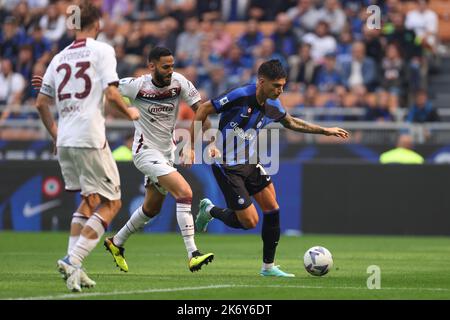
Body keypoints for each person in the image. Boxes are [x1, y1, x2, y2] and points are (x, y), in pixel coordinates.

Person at [189, 59, 349, 277]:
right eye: (276, 86)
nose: (280, 90)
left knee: (272, 209)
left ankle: (268, 267)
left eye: (282, 86)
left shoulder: (274, 106)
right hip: (226, 165)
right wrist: (196, 145)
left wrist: (325, 130)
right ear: (261, 82)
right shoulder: (240, 95)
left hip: (251, 163)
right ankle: (210, 210)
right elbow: (203, 110)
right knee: (249, 222)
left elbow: (292, 123)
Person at [34, 2, 140, 292]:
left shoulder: (58, 58)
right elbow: (111, 91)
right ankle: (73, 258)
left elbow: (41, 103)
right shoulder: (102, 50)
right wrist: (129, 111)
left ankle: (75, 269)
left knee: (90, 199)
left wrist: (55, 133)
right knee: (112, 202)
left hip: (66, 139)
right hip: (89, 136)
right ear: (99, 24)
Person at [103, 47, 214, 273]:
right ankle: (193, 254)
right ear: (152, 66)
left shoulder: (179, 82)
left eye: (172, 66)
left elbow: (201, 111)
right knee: (185, 192)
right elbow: (109, 91)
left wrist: (199, 144)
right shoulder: (137, 85)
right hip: (145, 152)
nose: (170, 71)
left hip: (166, 153)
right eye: (165, 67)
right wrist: (127, 111)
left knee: (151, 208)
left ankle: (116, 242)